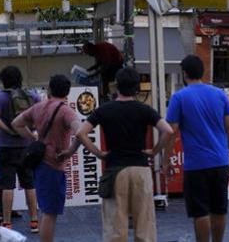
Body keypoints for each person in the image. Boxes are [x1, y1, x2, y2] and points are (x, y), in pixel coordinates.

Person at [74, 67, 174, 242]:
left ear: (116, 86)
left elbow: (81, 133)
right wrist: (154, 151)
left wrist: (98, 153)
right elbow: (168, 131)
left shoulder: (104, 110)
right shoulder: (144, 109)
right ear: (136, 88)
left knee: (115, 227)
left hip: (115, 170)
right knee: (145, 225)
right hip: (141, 169)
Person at [164, 55, 229, 242]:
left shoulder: (179, 97)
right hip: (220, 161)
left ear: (185, 73)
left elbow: (171, 132)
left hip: (196, 164)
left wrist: (166, 160)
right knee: (219, 208)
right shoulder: (220, 94)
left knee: (200, 211)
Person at [12, 75, 80, 242]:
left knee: (47, 210)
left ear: (49, 89)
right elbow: (80, 131)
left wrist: (33, 138)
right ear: (68, 92)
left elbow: (16, 123)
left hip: (40, 163)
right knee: (49, 213)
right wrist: (70, 151)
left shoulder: (39, 107)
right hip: (54, 164)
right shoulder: (66, 111)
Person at [0, 66, 39, 232]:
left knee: (7, 186)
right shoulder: (31, 95)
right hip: (27, 147)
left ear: (3, 80)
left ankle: (7, 223)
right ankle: (34, 222)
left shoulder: (1, 97)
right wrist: (31, 133)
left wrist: (8, 130)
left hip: (6, 147)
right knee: (30, 184)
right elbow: (41, 114)